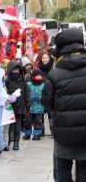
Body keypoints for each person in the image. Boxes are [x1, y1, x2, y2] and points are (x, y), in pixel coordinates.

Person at [41, 29, 86, 181]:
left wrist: (58, 114)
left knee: (63, 167)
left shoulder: (55, 73)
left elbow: (46, 101)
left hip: (63, 132)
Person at [5, 61, 30, 150]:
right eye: (14, 69)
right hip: (9, 107)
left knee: (17, 126)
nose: (16, 71)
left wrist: (28, 105)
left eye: (17, 69)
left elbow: (27, 93)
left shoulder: (22, 81)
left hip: (20, 107)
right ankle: (7, 143)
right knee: (9, 126)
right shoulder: (7, 81)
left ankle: (16, 142)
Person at [23, 69, 45, 140]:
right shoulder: (29, 83)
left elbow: (46, 94)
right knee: (27, 121)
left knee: (37, 121)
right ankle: (27, 133)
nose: (38, 77)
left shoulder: (43, 84)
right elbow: (26, 93)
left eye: (40, 76)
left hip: (39, 106)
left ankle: (37, 134)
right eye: (37, 76)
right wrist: (29, 99)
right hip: (29, 106)